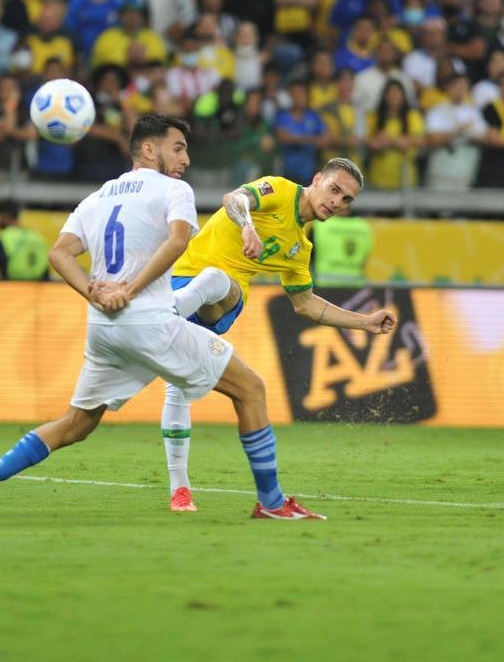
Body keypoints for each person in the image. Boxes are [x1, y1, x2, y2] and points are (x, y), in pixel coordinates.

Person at [0, 115, 326, 521]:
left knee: (75, 425)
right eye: (178, 147)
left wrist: (93, 291)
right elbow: (177, 242)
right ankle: (273, 503)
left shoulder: (98, 196)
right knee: (252, 390)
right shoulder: (174, 190)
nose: (186, 159)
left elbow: (59, 254)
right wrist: (130, 291)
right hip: (150, 321)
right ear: (149, 149)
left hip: (104, 329)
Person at [160, 159, 397, 511]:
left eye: (347, 199)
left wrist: (363, 322)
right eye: (334, 190)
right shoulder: (281, 190)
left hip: (222, 302)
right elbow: (234, 199)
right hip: (181, 280)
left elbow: (305, 305)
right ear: (317, 180)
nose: (337, 202)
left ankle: (164, 314)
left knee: (217, 282)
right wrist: (247, 228)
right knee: (177, 387)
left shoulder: (301, 249)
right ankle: (180, 491)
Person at [0, 201, 49, 281]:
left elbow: (1, 266)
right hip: (39, 289)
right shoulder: (38, 238)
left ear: (5, 216)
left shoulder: (3, 238)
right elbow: (46, 268)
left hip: (14, 288)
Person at [312, 214, 373, 288]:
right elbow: (365, 257)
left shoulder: (320, 225)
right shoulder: (362, 226)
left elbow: (308, 255)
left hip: (324, 284)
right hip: (354, 285)